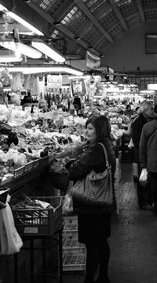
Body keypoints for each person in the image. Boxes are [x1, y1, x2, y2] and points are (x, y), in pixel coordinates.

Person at [67, 115, 116, 283]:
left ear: (99, 130)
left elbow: (75, 171)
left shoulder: (95, 149)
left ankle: (89, 280)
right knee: (101, 241)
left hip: (92, 203)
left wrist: (71, 161)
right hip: (103, 201)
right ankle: (103, 276)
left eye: (90, 129)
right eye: (86, 128)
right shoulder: (107, 144)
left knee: (92, 243)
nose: (86, 132)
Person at [128, 100, 154, 210]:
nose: (153, 111)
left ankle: (149, 199)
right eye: (151, 109)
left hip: (148, 154)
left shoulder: (149, 120)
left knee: (148, 178)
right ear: (145, 110)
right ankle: (143, 202)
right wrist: (148, 146)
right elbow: (136, 140)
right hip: (141, 154)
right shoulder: (138, 122)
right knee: (142, 179)